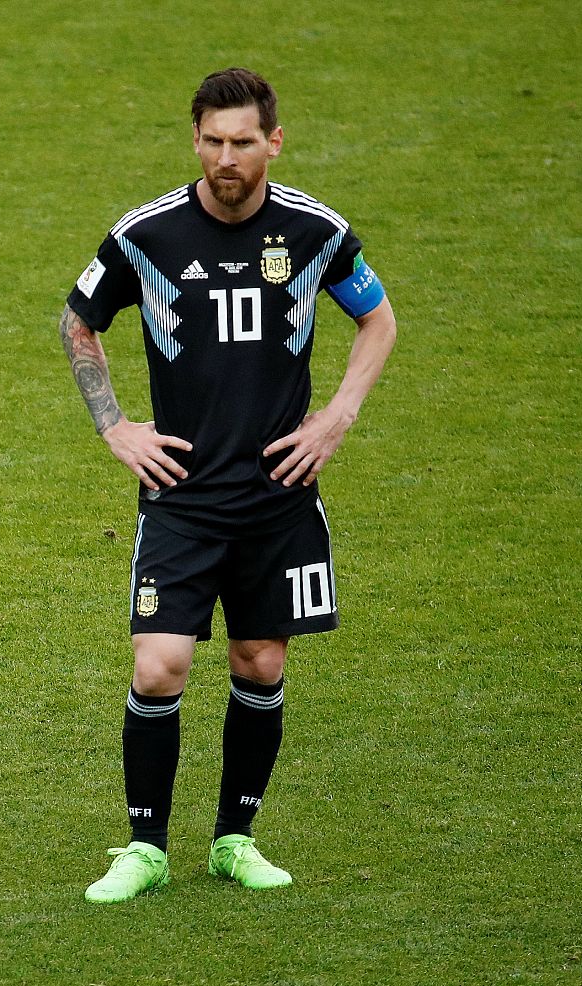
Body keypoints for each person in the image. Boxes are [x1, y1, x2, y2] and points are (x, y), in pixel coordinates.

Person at [60, 68, 398, 903]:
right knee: (159, 665)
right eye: (211, 141)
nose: (225, 159)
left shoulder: (316, 232)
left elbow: (378, 319)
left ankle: (233, 840)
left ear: (273, 142)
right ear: (195, 140)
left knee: (260, 661)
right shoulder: (147, 235)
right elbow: (79, 322)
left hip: (278, 494)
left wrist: (337, 417)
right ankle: (144, 848)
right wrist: (115, 427)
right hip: (181, 494)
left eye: (242, 142)